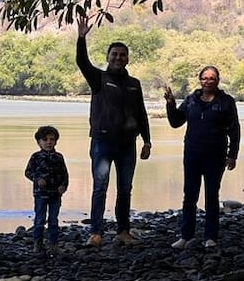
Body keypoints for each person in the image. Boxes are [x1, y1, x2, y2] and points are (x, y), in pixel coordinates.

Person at [76, 16, 152, 247]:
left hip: (127, 144)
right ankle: (96, 232)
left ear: (127, 58)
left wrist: (147, 141)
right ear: (108, 57)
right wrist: (81, 38)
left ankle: (123, 231)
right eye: (114, 54)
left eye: (122, 55)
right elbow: (82, 62)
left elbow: (141, 112)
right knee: (100, 187)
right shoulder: (98, 78)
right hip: (102, 142)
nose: (118, 58)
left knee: (125, 189)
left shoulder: (134, 84)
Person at [164, 66, 240, 250]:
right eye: (205, 78)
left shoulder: (226, 102)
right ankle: (186, 236)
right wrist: (170, 104)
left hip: (216, 154)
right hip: (192, 153)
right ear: (200, 80)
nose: (208, 81)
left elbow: (234, 129)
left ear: (218, 81)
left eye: (212, 78)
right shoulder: (191, 100)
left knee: (212, 196)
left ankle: (210, 237)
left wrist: (232, 155)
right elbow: (176, 122)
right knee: (189, 195)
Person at [24, 125, 69, 254]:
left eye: (52, 139)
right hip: (40, 194)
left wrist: (63, 186)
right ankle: (37, 244)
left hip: (55, 195)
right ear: (39, 142)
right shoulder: (36, 157)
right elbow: (27, 172)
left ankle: (53, 245)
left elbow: (65, 174)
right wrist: (37, 179)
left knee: (53, 220)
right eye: (45, 139)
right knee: (40, 219)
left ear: (56, 141)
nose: (49, 142)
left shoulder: (59, 157)